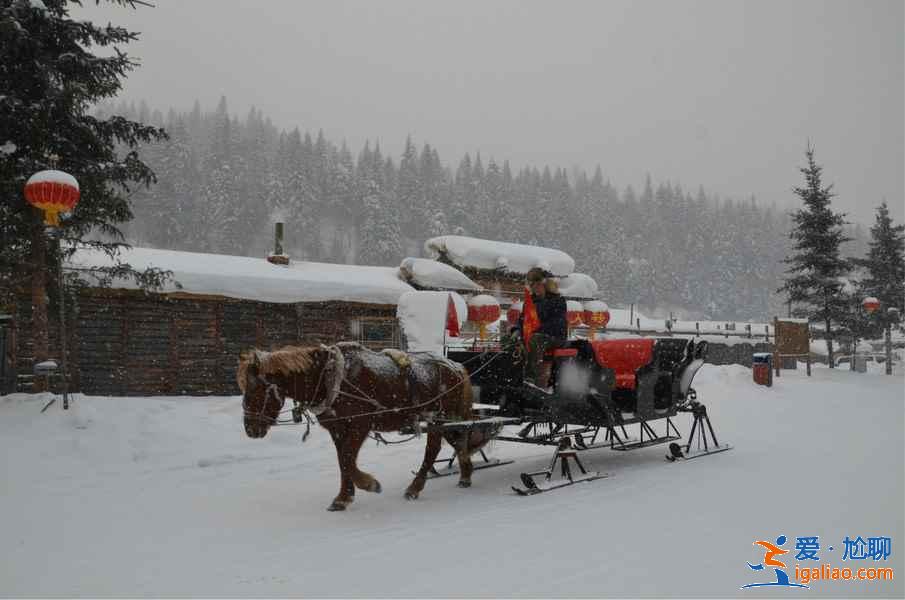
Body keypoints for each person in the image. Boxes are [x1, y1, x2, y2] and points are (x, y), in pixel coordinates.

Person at [512, 267, 567, 388]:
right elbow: (522, 320)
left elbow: (557, 323)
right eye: (532, 285)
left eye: (538, 284)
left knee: (535, 339)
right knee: (511, 341)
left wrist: (536, 328)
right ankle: (511, 378)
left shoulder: (558, 300)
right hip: (533, 335)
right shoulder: (530, 302)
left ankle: (529, 379)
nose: (535, 287)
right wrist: (516, 330)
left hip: (554, 337)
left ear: (546, 285)